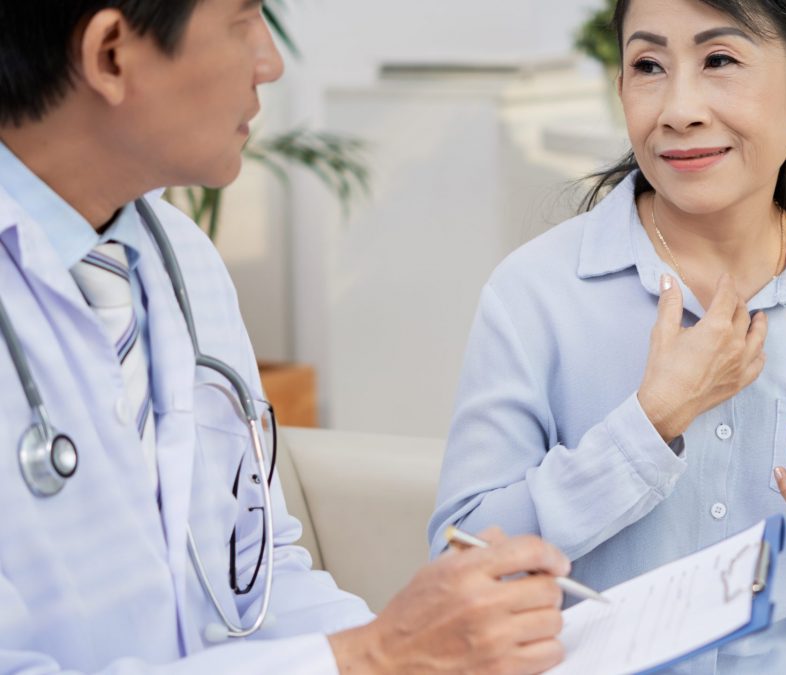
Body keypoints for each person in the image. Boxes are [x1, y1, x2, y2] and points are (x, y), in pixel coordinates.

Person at [0, 1, 568, 673]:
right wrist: (374, 655)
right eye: (242, 21)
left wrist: (411, 651)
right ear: (111, 55)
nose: (269, 62)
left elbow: (263, 577)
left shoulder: (180, 259)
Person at [429, 0, 786, 671]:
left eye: (719, 60)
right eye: (649, 65)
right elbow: (461, 560)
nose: (679, 107)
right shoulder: (536, 293)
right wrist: (650, 422)